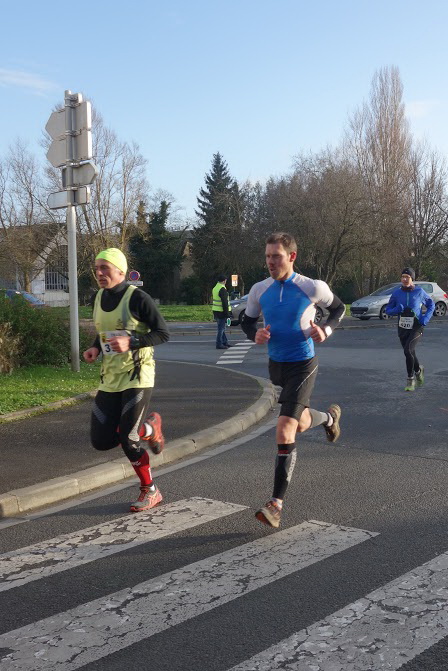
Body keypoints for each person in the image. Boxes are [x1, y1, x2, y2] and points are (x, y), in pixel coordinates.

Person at [241, 232, 345, 529]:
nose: (270, 262)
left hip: (303, 363)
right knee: (298, 423)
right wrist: (254, 335)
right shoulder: (260, 290)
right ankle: (328, 418)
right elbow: (247, 321)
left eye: (276, 256)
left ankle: (276, 504)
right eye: (267, 256)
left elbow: (338, 309)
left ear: (292, 257)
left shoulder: (311, 287)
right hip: (277, 366)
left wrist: (325, 330)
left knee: (285, 427)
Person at [83, 248, 170, 512]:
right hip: (110, 378)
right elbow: (103, 332)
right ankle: (151, 429)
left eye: (105, 268)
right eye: (97, 268)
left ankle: (150, 490)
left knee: (128, 439)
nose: (99, 273)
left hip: (137, 376)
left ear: (120, 271)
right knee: (100, 440)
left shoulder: (138, 298)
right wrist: (95, 348)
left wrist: (131, 341)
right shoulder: (97, 297)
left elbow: (162, 333)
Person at [384, 267, 435, 391]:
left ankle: (410, 380)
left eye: (407, 277)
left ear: (412, 278)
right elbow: (388, 310)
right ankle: (418, 370)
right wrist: (396, 310)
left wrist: (426, 318)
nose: (405, 279)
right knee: (410, 352)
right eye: (403, 277)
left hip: (417, 326)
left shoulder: (419, 292)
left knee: (408, 350)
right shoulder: (396, 293)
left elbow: (431, 305)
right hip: (402, 327)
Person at [212, 274, 232, 349]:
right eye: (226, 280)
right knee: (221, 329)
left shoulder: (215, 288)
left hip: (216, 311)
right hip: (221, 312)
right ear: (224, 281)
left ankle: (224, 342)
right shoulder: (222, 289)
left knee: (221, 328)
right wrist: (227, 314)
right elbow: (225, 302)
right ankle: (219, 344)